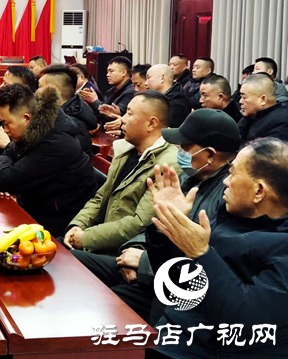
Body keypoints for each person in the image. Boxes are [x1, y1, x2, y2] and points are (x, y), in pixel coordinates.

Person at [71, 109, 240, 323]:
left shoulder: (225, 198)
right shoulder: (187, 178)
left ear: (210, 155)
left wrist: (143, 265)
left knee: (101, 302)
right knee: (72, 262)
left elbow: (201, 262)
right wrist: (133, 249)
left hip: (168, 284)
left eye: (185, 146)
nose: (179, 150)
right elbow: (154, 223)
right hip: (148, 259)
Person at [144, 138, 288, 358]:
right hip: (169, 330)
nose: (225, 182)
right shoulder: (229, 214)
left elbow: (245, 322)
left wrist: (201, 254)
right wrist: (169, 226)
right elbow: (173, 280)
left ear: (259, 191)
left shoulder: (282, 247)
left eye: (232, 174)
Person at [64, 91, 181, 254]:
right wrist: (78, 225)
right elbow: (101, 197)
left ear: (151, 123)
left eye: (129, 114)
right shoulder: (127, 151)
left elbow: (139, 223)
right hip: (96, 237)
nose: (123, 119)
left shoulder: (168, 165)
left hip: (121, 252)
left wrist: (85, 238)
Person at [0, 84, 97, 237]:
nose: (5, 130)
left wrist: (0, 157)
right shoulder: (37, 130)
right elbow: (8, 157)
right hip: (40, 207)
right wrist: (5, 157)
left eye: (7, 123)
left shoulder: (56, 143)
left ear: (26, 118)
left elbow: (5, 179)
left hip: (62, 224)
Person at [38, 64, 98, 155]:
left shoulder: (70, 124)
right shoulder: (65, 113)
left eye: (40, 87)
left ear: (55, 91)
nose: (37, 92)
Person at [80, 56, 135, 123]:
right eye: (107, 72)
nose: (107, 75)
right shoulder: (112, 90)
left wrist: (94, 101)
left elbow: (111, 117)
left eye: (111, 71)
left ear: (123, 72)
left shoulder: (130, 92)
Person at [238, 73, 288, 142]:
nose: (240, 101)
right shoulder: (248, 118)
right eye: (241, 97)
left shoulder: (282, 122)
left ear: (263, 99)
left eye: (244, 97)